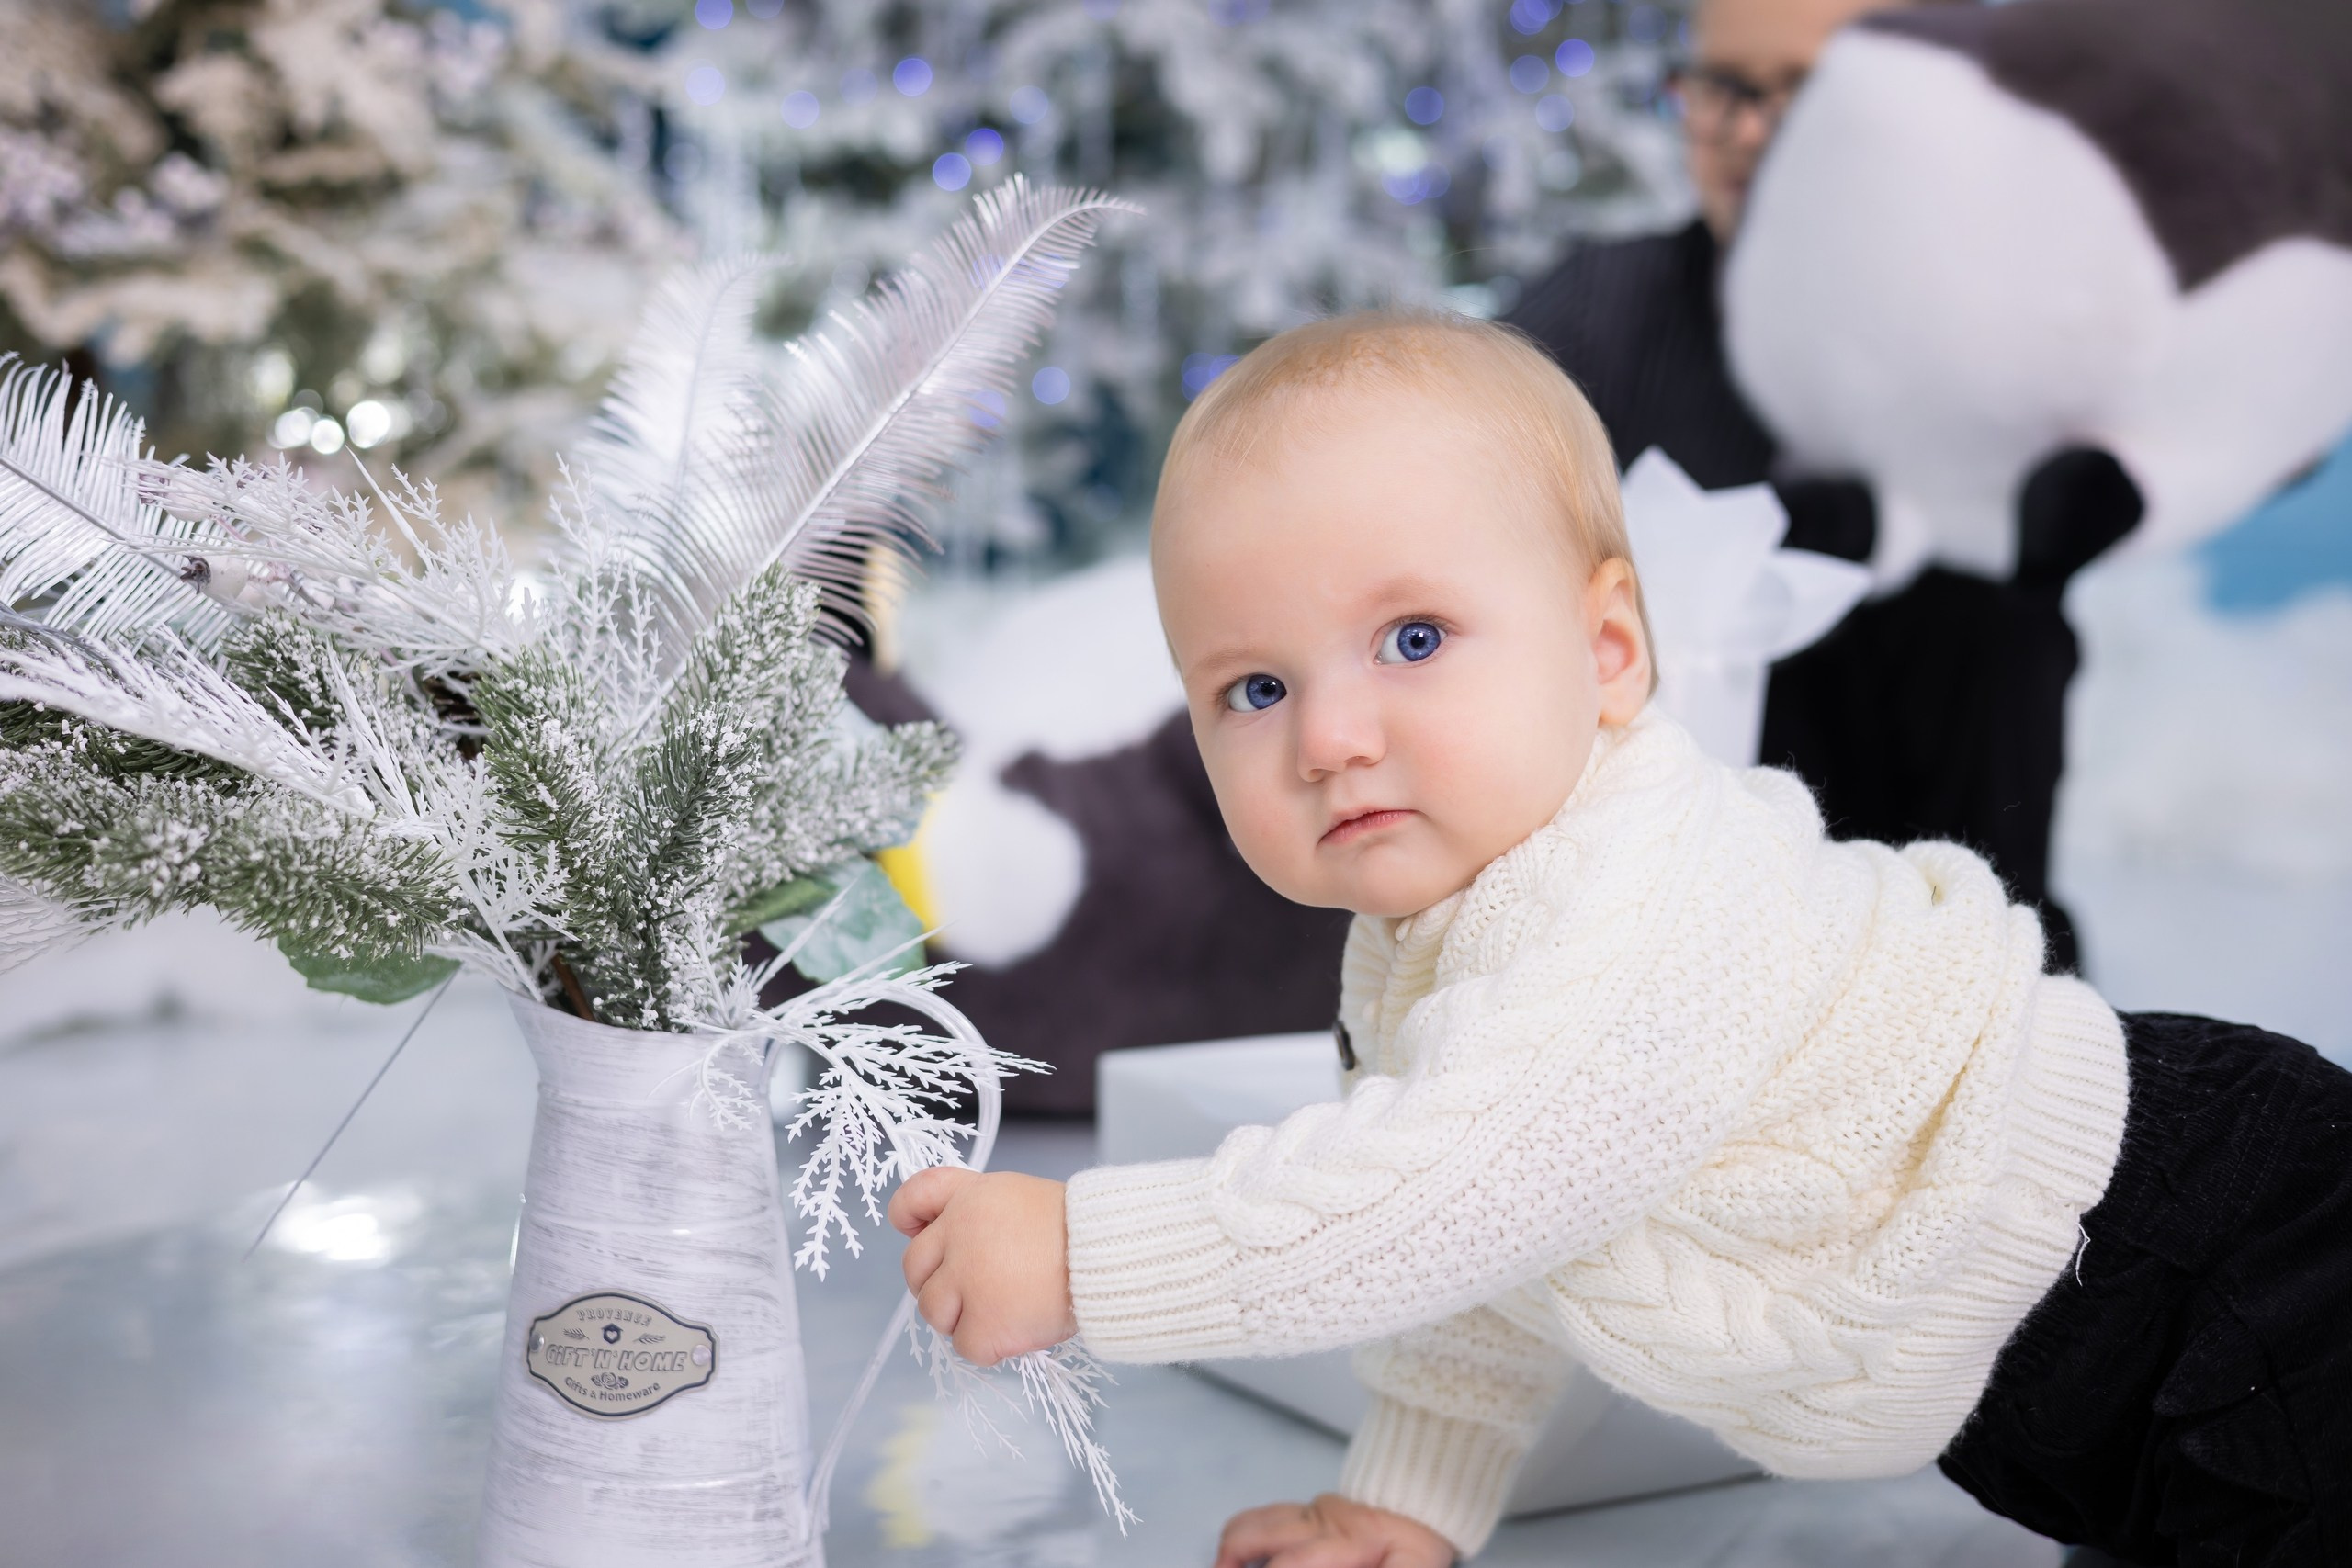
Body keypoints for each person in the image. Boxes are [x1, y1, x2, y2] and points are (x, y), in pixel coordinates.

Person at [886, 315, 2352, 1567]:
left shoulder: (1648, 891)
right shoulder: (1430, 942)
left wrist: (1087, 1252)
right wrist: (1409, 1497)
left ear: (1610, 653)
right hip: (2074, 1379)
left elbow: (1448, 1191)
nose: (1330, 737)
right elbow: (1515, 1249)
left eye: (1412, 639)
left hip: (2224, 1254)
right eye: (1253, 687)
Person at [1506, 0, 2145, 973]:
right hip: (1642, 936)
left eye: (1806, 95)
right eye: (1723, 89)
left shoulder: (2002, 325)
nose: (1751, 132)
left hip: (1952, 955)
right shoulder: (1603, 313)